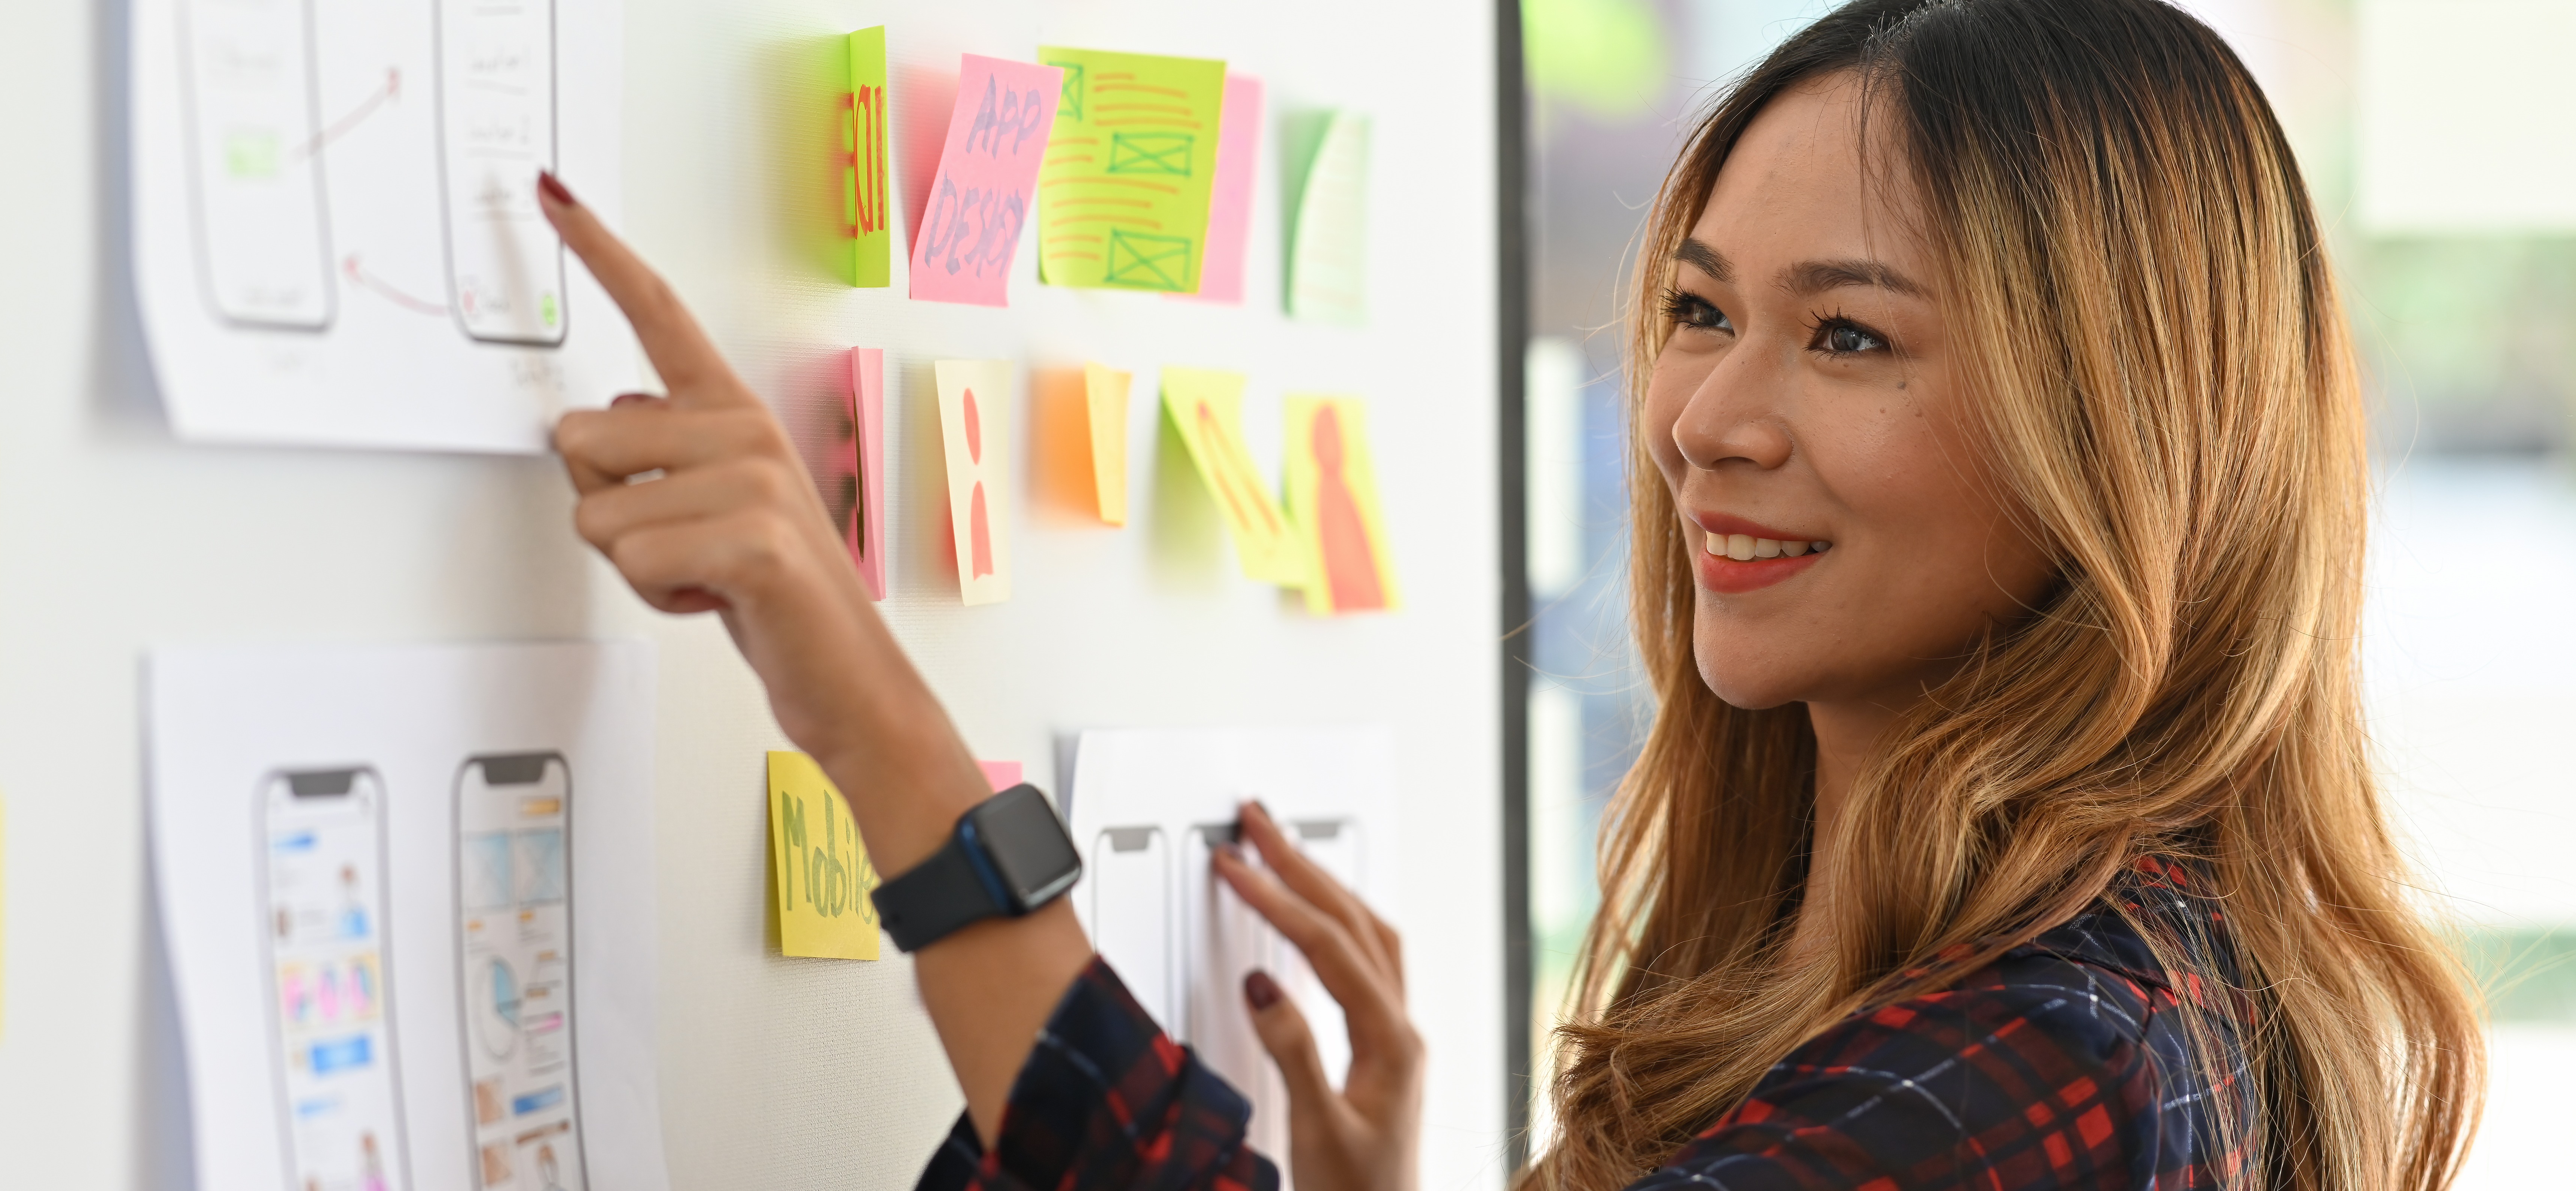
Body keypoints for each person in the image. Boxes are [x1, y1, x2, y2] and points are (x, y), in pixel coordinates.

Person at [531, 0, 2484, 1186]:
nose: (1708, 416)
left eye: (1855, 340)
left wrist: (867, 711)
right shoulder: (2011, 968)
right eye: (1701, 311)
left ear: (2117, 431)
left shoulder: (2058, 1050)